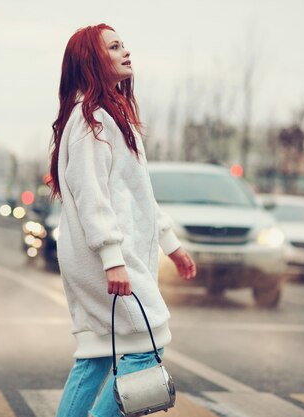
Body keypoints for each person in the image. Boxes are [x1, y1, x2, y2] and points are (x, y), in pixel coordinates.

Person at [48, 23, 197, 417]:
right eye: (114, 47)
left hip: (112, 257)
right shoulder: (90, 121)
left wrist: (171, 245)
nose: (125, 52)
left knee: (99, 355)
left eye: (123, 45)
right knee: (148, 343)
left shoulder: (112, 118)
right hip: (106, 260)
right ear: (93, 60)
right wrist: (112, 257)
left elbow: (136, 195)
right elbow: (91, 196)